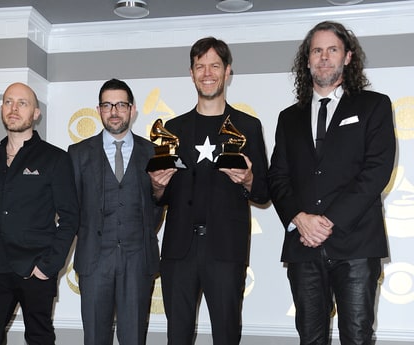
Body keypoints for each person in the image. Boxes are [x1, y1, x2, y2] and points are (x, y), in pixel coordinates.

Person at [268, 21, 396, 345]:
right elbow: (277, 177)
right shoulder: (288, 117)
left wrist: (327, 222)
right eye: (317, 51)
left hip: (356, 246)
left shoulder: (374, 105)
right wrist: (299, 218)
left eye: (332, 50)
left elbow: (377, 171)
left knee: (356, 337)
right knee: (310, 339)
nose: (324, 57)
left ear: (347, 57)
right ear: (307, 60)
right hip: (303, 249)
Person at [148, 37, 270, 345]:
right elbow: (155, 196)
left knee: (227, 336)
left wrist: (247, 180)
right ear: (191, 73)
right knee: (177, 337)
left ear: (228, 72)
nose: (207, 73)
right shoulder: (171, 129)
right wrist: (157, 187)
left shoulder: (248, 126)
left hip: (226, 251)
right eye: (200, 66)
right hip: (178, 252)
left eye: (214, 65)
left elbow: (264, 192)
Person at [0, 82, 79, 345]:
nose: (14, 108)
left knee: (40, 339)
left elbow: (70, 217)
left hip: (36, 268)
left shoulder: (55, 158)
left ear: (36, 113)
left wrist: (48, 266)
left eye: (22, 103)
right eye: (8, 102)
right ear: (1, 109)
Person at [68, 78, 164, 345]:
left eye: (121, 104)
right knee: (95, 338)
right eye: (107, 105)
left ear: (132, 110)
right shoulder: (77, 154)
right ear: (98, 110)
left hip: (137, 260)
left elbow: (158, 206)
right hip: (94, 261)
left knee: (134, 338)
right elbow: (71, 208)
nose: (114, 111)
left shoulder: (154, 152)